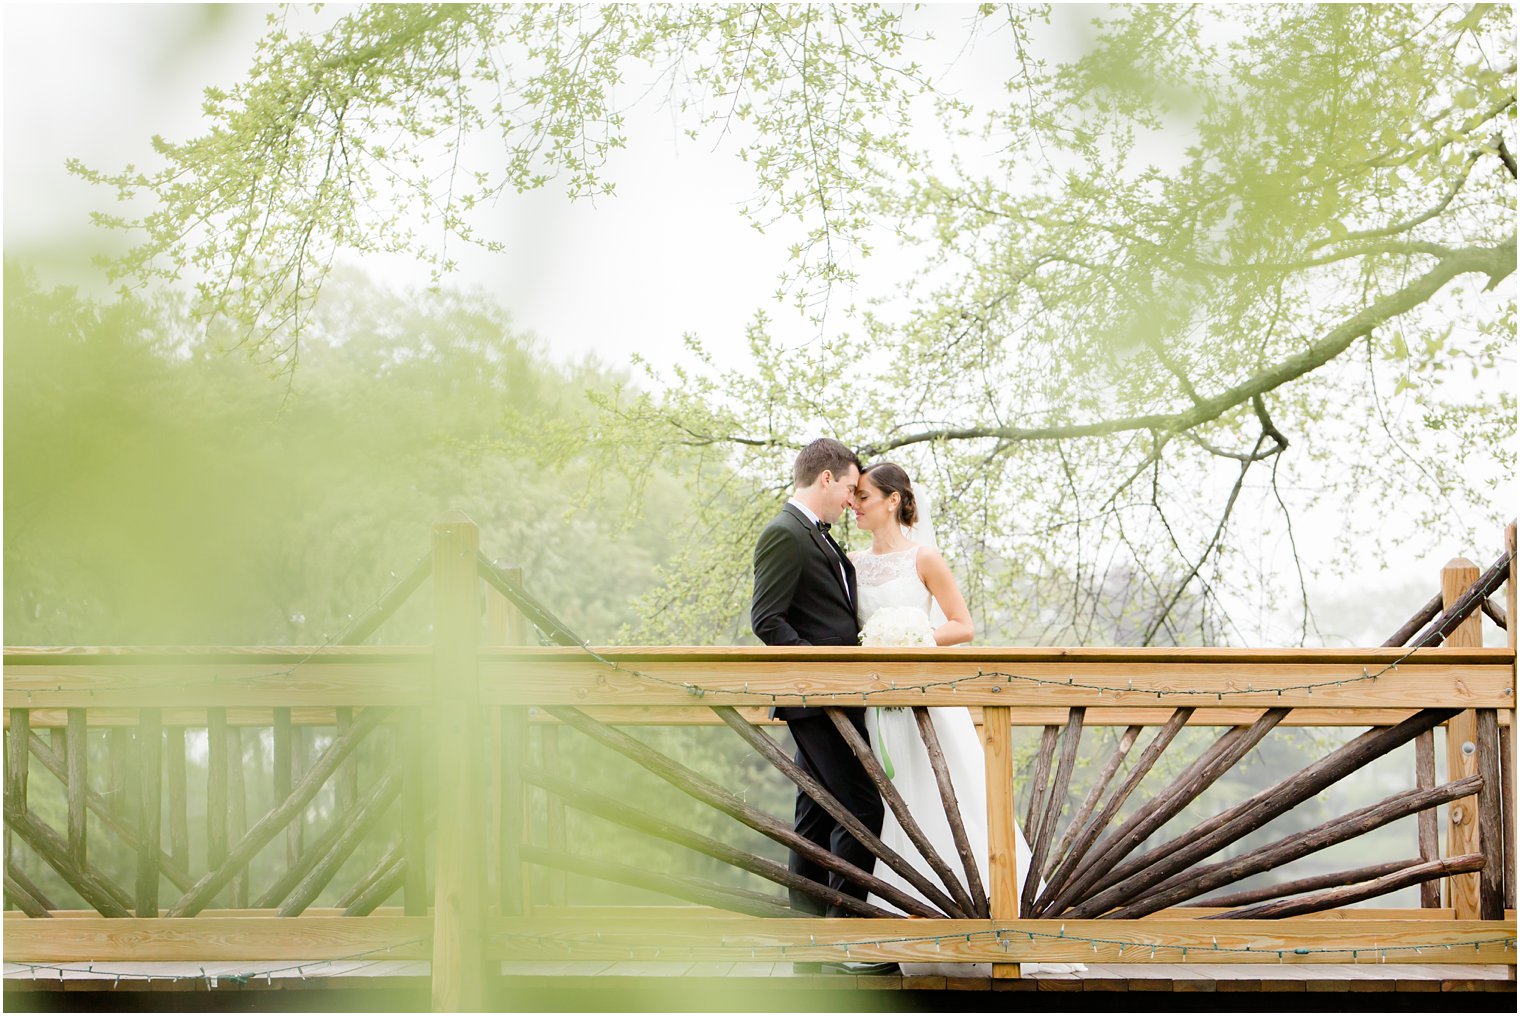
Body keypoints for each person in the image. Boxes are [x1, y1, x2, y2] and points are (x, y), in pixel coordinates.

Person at [851, 461, 1080, 977]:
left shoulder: (924, 557)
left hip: (931, 702)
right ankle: (904, 930)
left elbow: (963, 626)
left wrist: (911, 639)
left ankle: (990, 922)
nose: (855, 503)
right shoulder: (852, 563)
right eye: (853, 496)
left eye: (864, 495)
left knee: (952, 798)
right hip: (880, 707)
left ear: (893, 500)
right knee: (897, 802)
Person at [750, 438, 885, 927]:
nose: (852, 499)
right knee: (863, 809)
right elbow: (767, 620)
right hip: (816, 698)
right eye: (850, 487)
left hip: (836, 697)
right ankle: (845, 933)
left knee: (816, 818)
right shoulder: (785, 533)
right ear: (826, 478)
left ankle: (808, 945)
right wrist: (822, 671)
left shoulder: (819, 535)